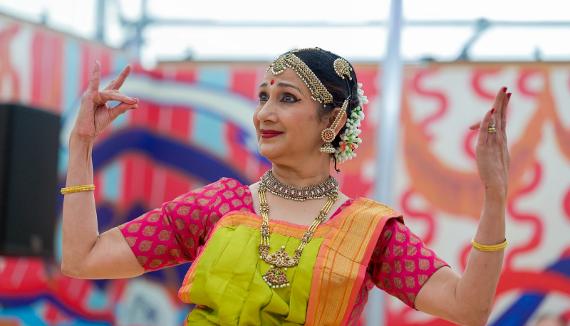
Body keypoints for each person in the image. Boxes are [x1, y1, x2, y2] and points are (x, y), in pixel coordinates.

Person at [61, 48, 511, 325]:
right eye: (263, 97)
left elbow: (467, 308)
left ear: (332, 121)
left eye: (287, 99)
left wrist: (495, 196)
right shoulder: (220, 205)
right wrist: (81, 147)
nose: (264, 114)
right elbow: (84, 259)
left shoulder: (369, 231)